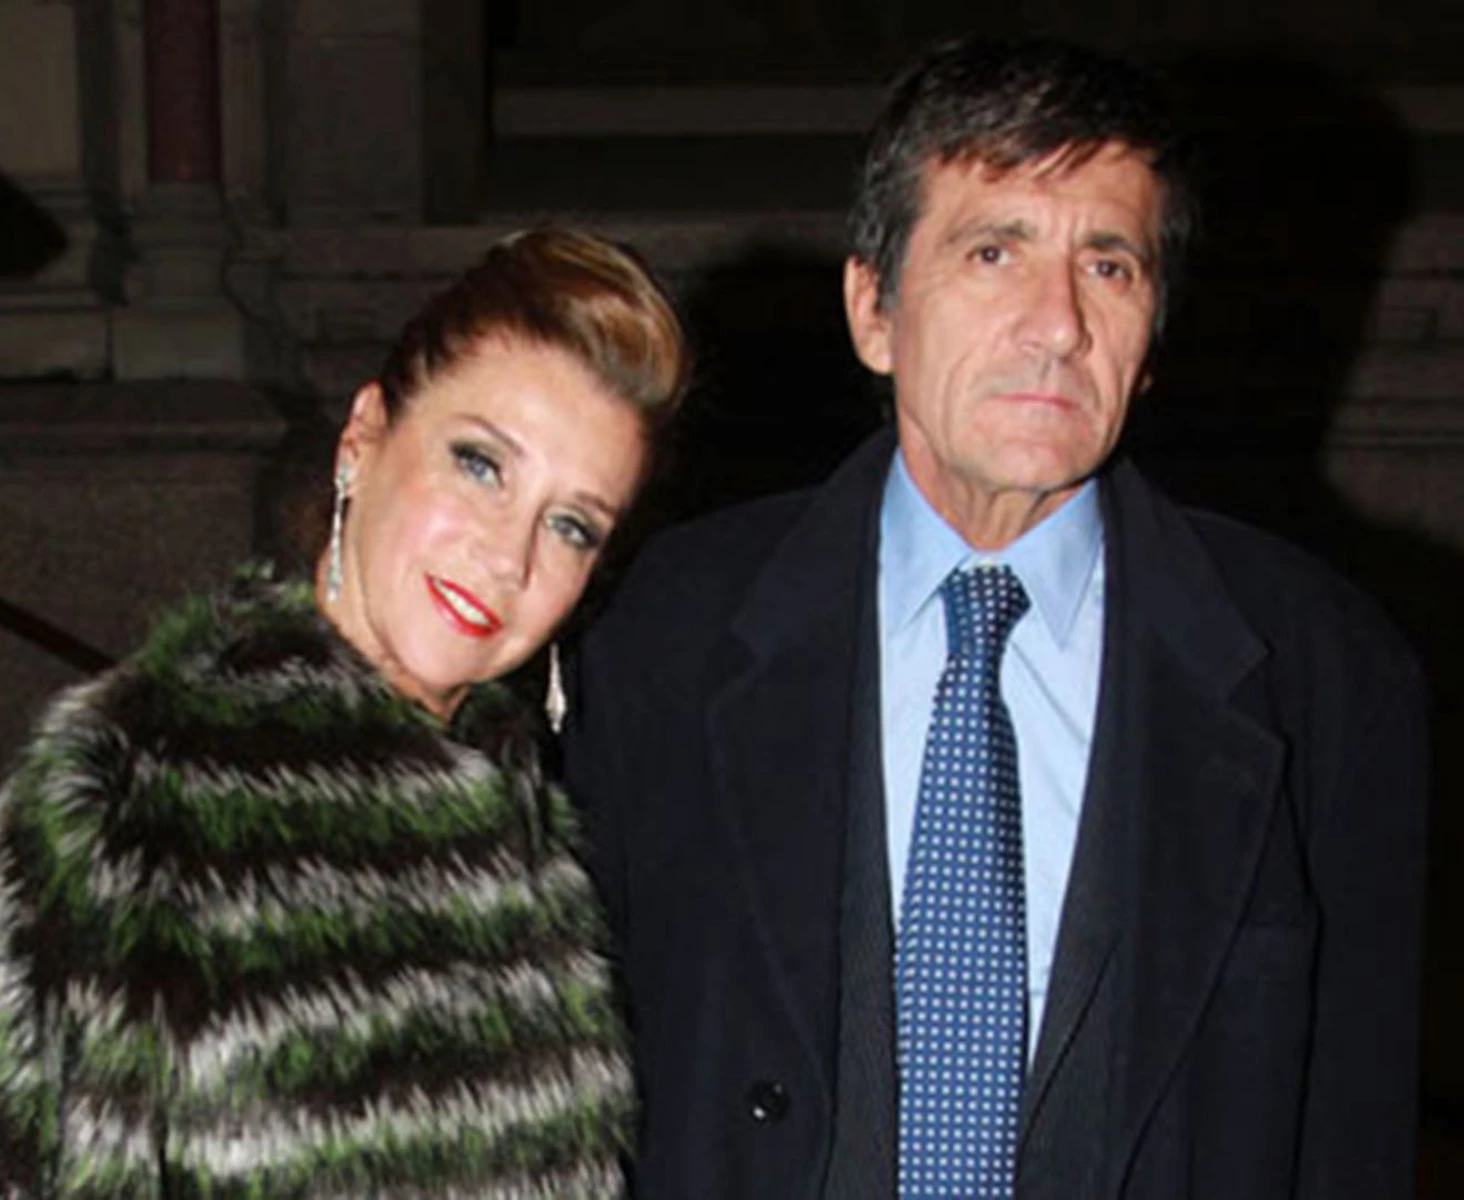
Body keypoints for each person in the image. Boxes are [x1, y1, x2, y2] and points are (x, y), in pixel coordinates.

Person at [563, 36, 1428, 1200]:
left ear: (1152, 338)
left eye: (1109, 266)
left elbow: (1352, 1135)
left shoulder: (1325, 675)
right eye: (993, 251)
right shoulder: (664, 629)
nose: (1057, 323)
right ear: (874, 311)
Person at [0, 226, 689, 1197]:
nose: (509, 556)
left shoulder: (540, 839)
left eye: (571, 525)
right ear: (364, 438)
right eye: (480, 465)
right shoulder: (126, 797)